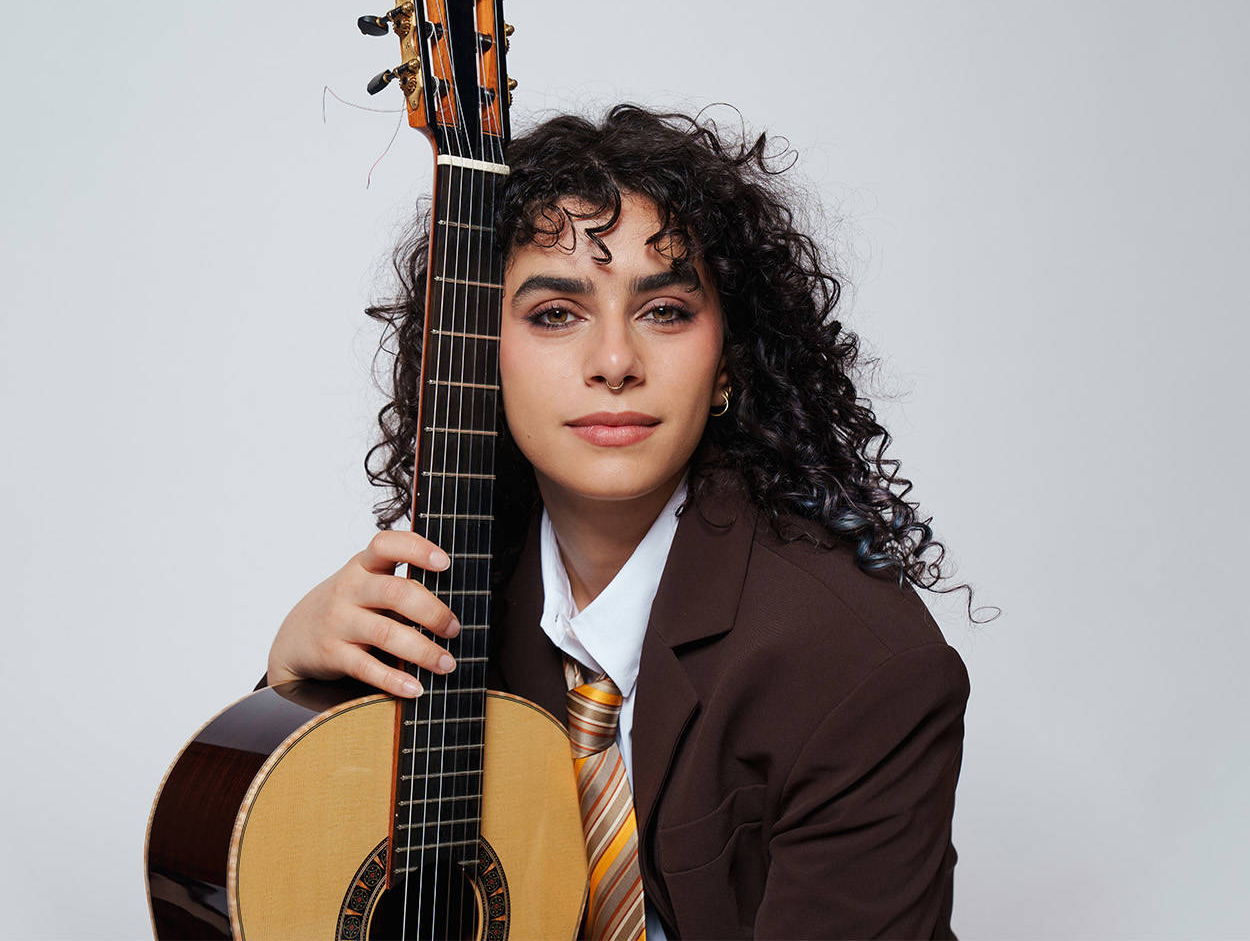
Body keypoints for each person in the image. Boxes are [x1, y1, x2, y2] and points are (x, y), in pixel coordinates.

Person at [262, 105, 985, 940]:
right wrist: (289, 684)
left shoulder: (864, 667)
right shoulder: (447, 603)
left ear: (728, 365)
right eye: (555, 315)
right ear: (472, 355)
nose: (614, 363)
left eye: (666, 311)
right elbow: (292, 887)